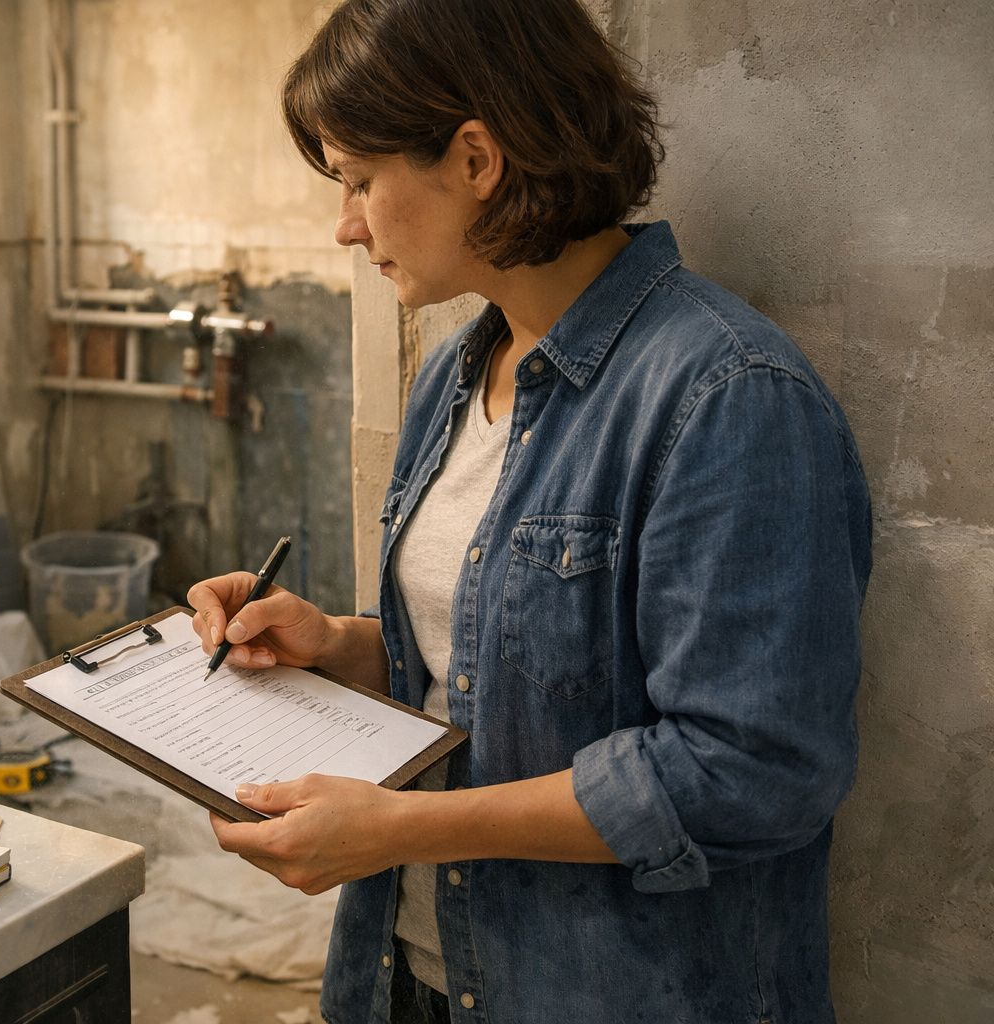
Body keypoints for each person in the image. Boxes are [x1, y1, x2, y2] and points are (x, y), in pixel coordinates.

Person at [186, 1, 872, 1021]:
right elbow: (500, 668)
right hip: (411, 970)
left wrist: (401, 828)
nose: (346, 224)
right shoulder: (460, 376)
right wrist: (335, 644)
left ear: (474, 157)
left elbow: (749, 770)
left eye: (360, 180)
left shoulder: (727, 396)